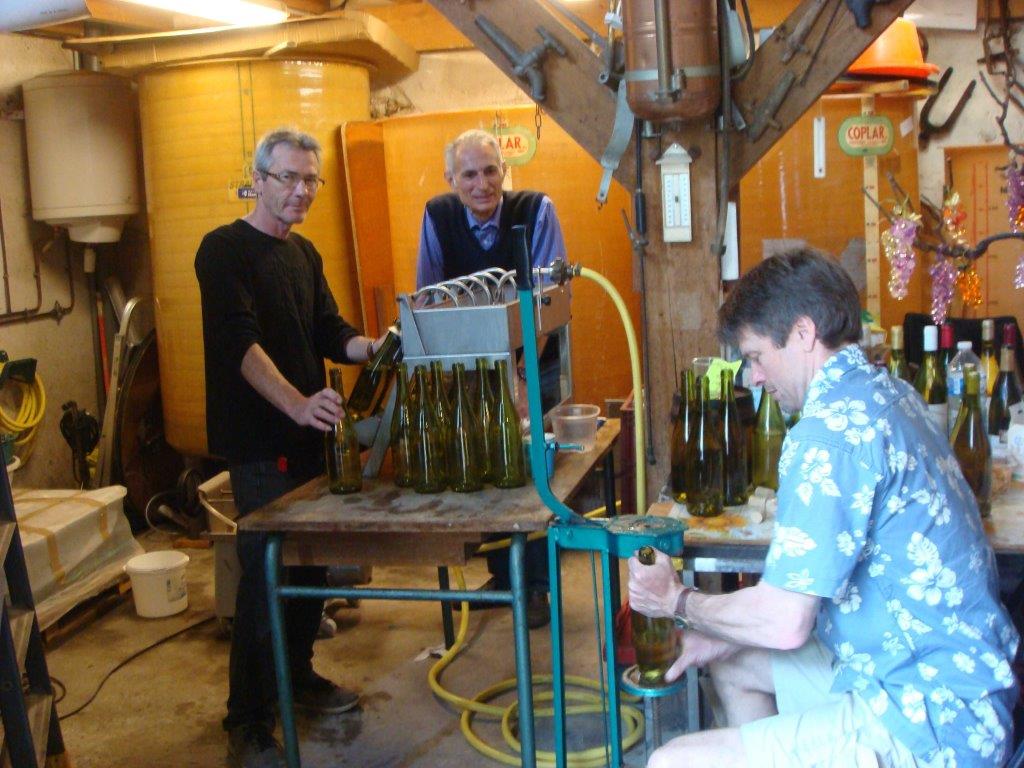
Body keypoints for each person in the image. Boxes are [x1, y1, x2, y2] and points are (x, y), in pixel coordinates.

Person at [629, 249, 1020, 768]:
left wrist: (677, 600)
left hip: (934, 720)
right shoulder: (892, 392)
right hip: (945, 678)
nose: (752, 377)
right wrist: (719, 635)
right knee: (733, 664)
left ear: (803, 333)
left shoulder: (829, 432)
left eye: (755, 355)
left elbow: (784, 621)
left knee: (672, 761)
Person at [196, 127, 386, 768]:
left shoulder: (303, 253)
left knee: (308, 568)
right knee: (266, 579)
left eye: (311, 179)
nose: (302, 190)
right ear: (257, 180)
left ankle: (296, 677)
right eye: (288, 177)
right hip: (260, 443)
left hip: (310, 437)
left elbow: (330, 330)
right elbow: (239, 344)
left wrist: (376, 346)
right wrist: (299, 405)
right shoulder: (222, 250)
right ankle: (247, 720)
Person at [416, 128, 568, 630]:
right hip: (474, 363)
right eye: (469, 175)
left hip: (532, 359)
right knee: (486, 466)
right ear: (451, 179)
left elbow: (546, 302)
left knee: (529, 471)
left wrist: (521, 377)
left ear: (504, 170)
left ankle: (536, 587)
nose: (481, 184)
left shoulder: (535, 210)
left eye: (489, 171)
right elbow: (429, 299)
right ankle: (504, 577)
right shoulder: (438, 217)